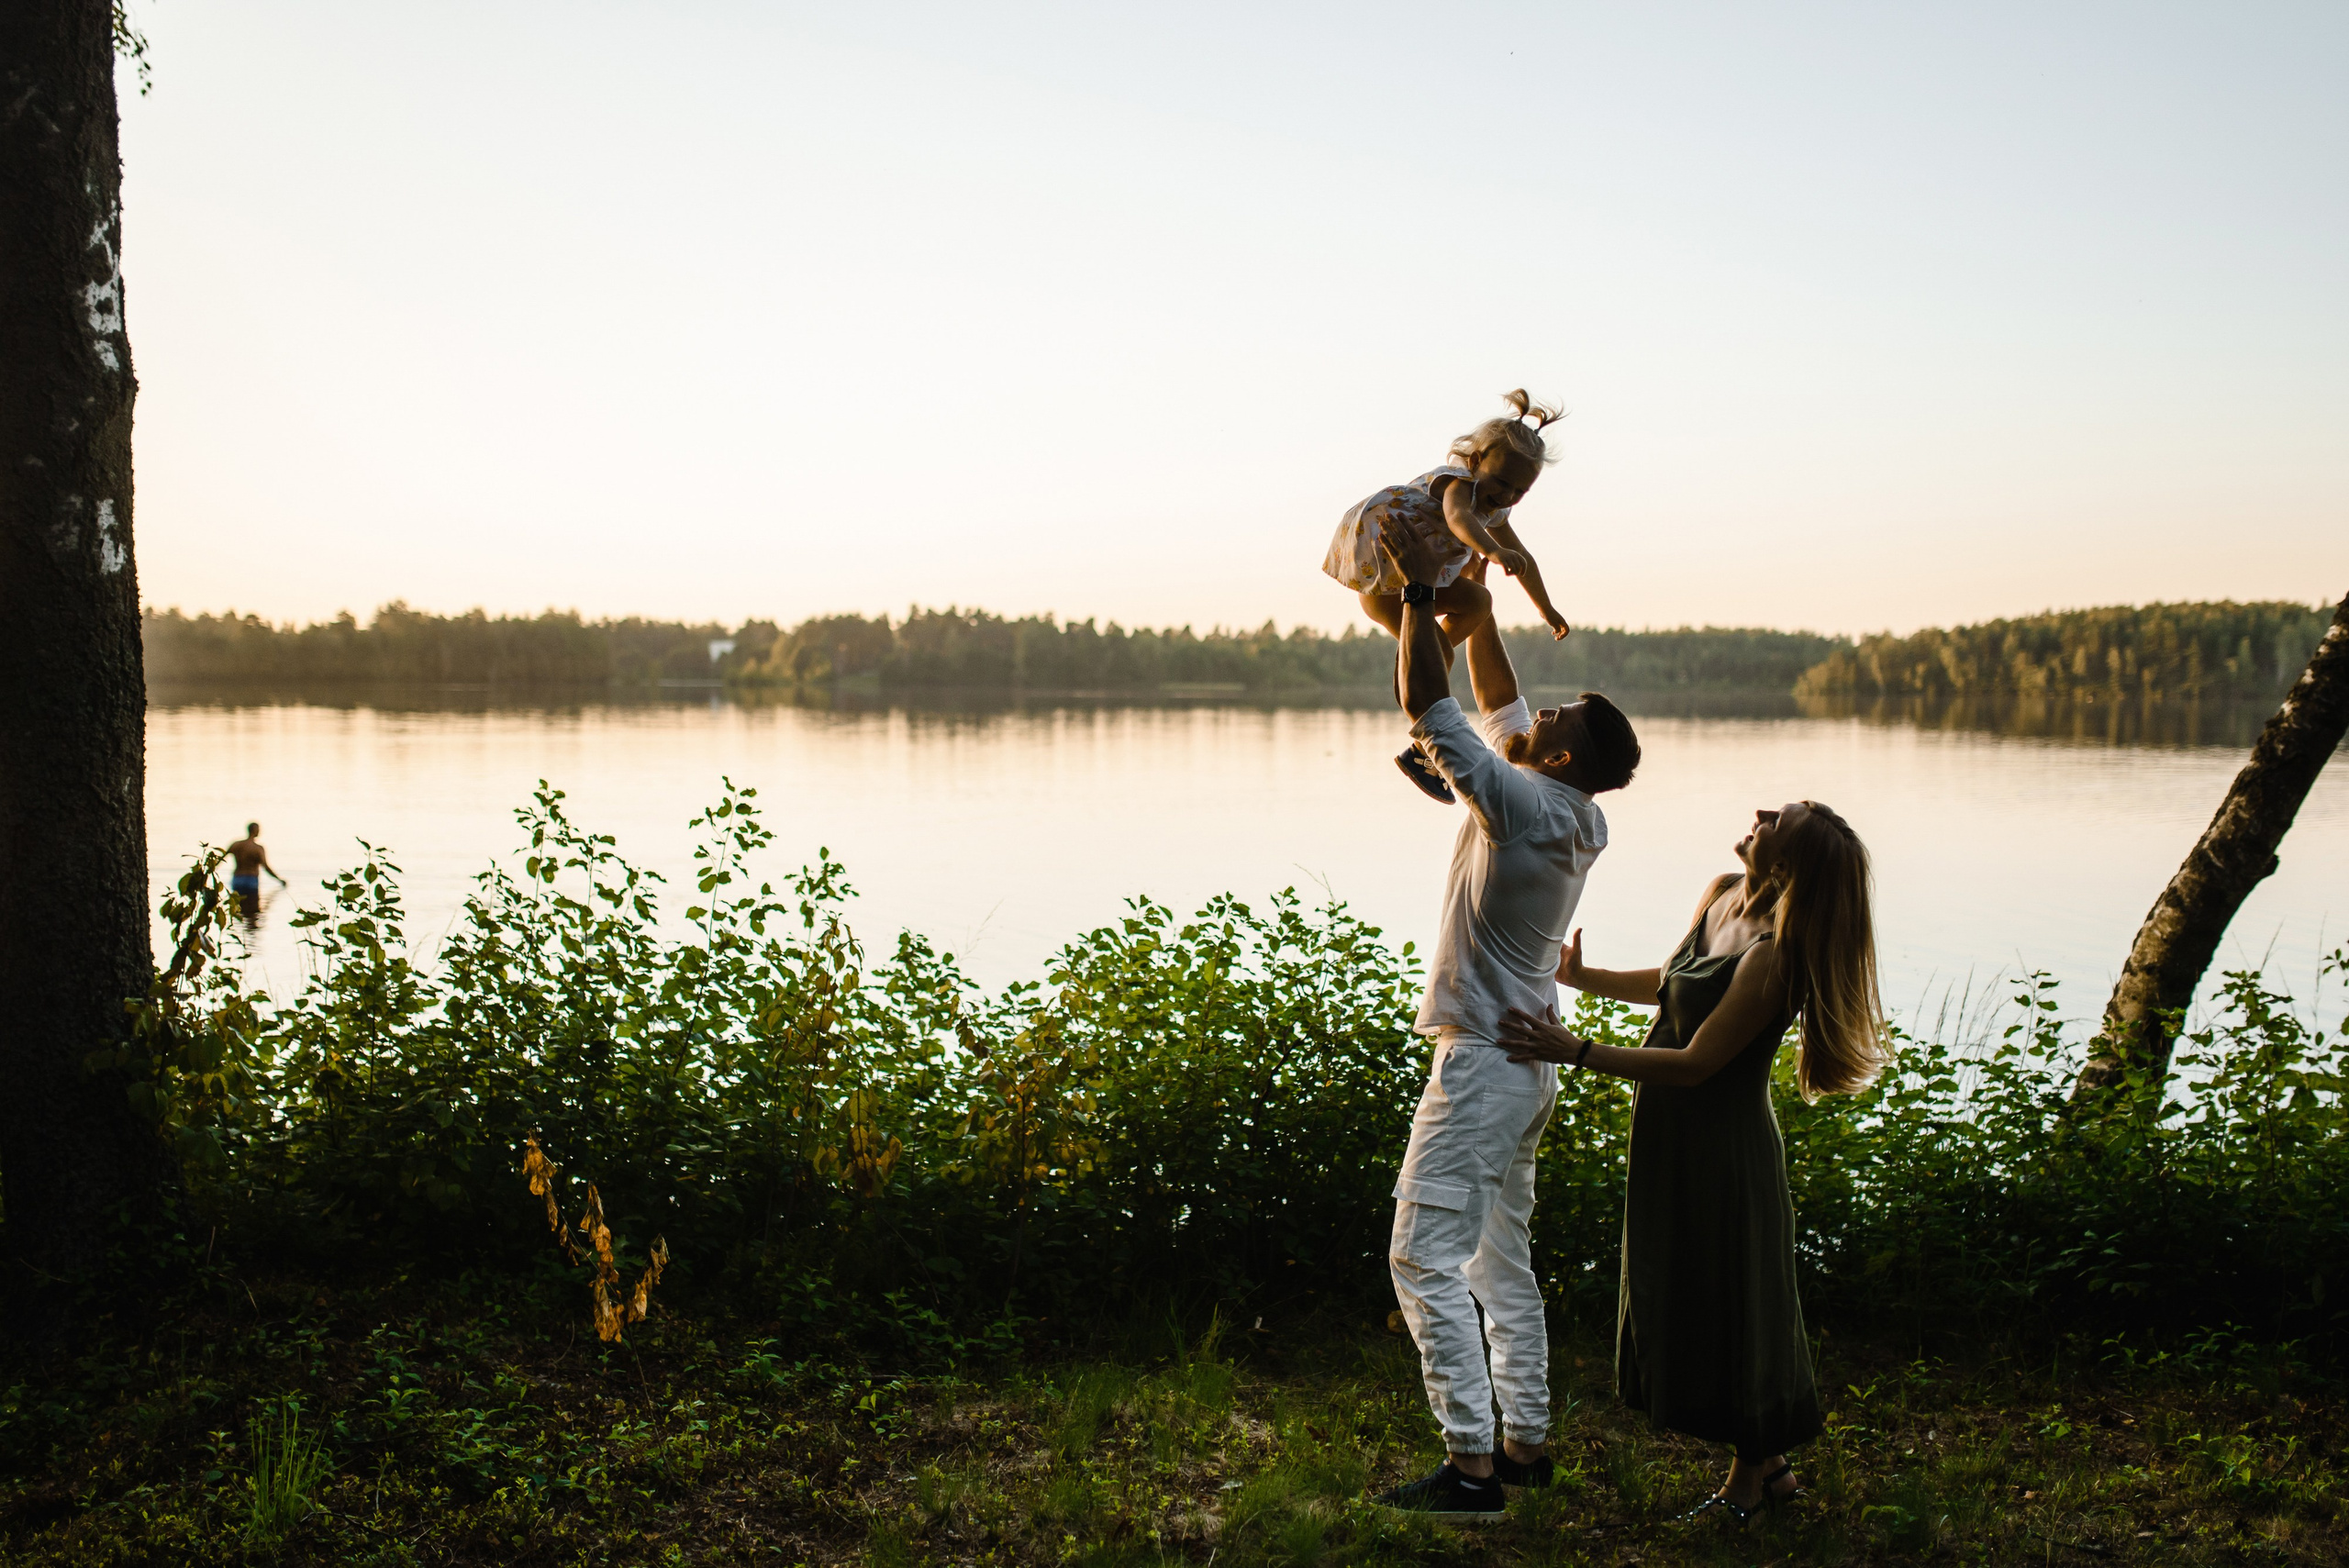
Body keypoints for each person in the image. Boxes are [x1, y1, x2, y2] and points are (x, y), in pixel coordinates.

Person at [1497, 801, 1892, 1525]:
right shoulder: (1718, 893)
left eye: (1782, 816)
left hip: (1726, 1150)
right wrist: (1588, 978)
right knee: (1686, 1289)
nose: (1763, 810)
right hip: (1671, 1139)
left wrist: (1573, 1048)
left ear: (1786, 863)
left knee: (1734, 1300)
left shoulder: (1776, 953)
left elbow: (1695, 1062)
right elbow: (1677, 979)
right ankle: (1774, 1472)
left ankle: (1745, 1484)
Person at [1371, 525, 1642, 1518]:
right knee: (1500, 1259)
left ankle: (1471, 1466)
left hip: (1485, 1063)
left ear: (1560, 751)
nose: (1538, 708)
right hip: (1527, 1068)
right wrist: (1478, 615)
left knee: (1420, 1253)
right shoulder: (1577, 811)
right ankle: (1524, 1442)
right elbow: (1497, 703)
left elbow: (1428, 703)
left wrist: (1412, 598)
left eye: (1556, 712)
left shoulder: (1518, 799)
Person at [1322, 390, 1577, 804]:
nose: (1507, 498)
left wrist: (1547, 610)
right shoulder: (1455, 482)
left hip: (1419, 578)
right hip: (1383, 575)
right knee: (1440, 651)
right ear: (1476, 462)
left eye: (1519, 493)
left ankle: (1419, 710)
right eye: (1501, 484)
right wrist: (1493, 550)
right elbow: (1458, 518)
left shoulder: (1496, 509)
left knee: (1479, 603)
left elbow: (1524, 559)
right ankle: (1421, 739)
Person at [226, 822, 285, 922]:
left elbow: (221, 858)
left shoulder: (236, 845)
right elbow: (266, 867)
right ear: (255, 831)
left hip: (237, 879)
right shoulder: (258, 848)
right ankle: (250, 918)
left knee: (238, 907)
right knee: (252, 906)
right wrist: (279, 880)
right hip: (251, 880)